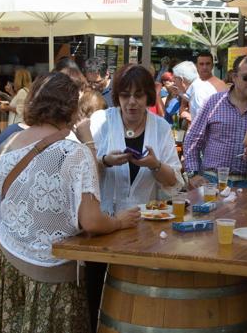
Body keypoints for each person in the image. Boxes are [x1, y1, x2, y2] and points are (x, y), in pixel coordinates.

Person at [0, 72, 140, 333]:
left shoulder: (9, 144)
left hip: (8, 264)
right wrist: (119, 222)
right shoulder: (73, 152)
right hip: (52, 274)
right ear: (70, 108)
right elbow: (91, 221)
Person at [86, 64, 184, 332]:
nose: (131, 102)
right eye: (125, 95)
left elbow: (176, 184)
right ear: (116, 96)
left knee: (138, 302)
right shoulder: (101, 122)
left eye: (138, 95)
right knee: (95, 298)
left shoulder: (161, 128)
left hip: (144, 231)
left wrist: (154, 165)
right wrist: (104, 161)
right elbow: (82, 170)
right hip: (103, 228)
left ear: (148, 98)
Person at [183, 55, 247, 189]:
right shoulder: (214, 102)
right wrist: (193, 174)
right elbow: (192, 138)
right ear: (234, 77)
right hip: (212, 180)